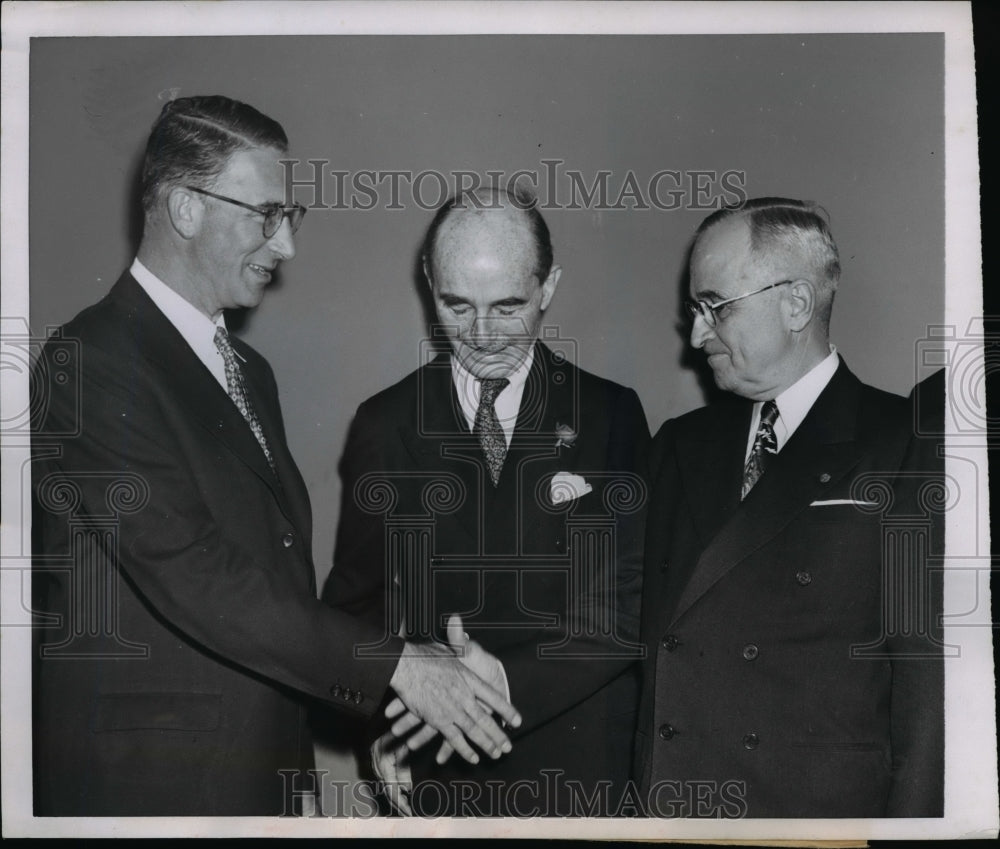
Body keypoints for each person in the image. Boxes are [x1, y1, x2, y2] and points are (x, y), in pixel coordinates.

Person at [30, 95, 518, 817]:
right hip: (149, 786)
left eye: (289, 218)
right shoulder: (88, 361)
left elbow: (274, 579)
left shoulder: (248, 370)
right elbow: (199, 575)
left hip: (257, 773)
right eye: (266, 215)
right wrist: (400, 667)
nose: (286, 247)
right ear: (186, 208)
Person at [322, 187, 650, 816]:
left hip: (576, 778)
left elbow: (622, 613)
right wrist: (377, 721)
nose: (482, 335)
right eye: (456, 306)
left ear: (548, 287)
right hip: (439, 766)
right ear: (428, 284)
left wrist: (494, 683)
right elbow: (353, 608)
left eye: (508, 307)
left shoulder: (611, 413)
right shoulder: (384, 422)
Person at [634, 198, 944, 818]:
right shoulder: (679, 445)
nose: (696, 335)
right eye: (696, 311)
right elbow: (618, 615)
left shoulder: (907, 442)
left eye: (714, 307)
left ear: (796, 304)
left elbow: (928, 687)